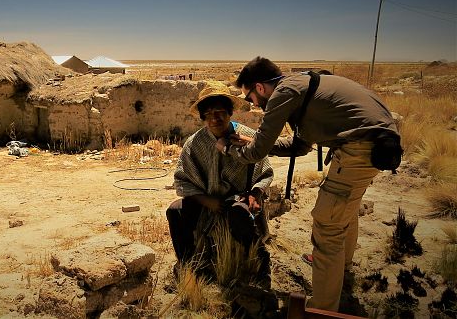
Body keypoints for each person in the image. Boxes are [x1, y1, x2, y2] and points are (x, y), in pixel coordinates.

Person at [223, 56, 400, 312]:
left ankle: (323, 310)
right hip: (378, 143)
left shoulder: (285, 92)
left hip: (359, 147)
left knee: (328, 226)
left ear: (260, 88)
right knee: (344, 210)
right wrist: (255, 145)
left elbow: (256, 153)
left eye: (250, 97)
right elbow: (300, 146)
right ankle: (341, 268)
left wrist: (230, 148)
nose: (253, 103)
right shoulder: (302, 85)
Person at [167, 81, 273, 277]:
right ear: (202, 117)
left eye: (219, 112)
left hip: (238, 199)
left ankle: (258, 260)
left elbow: (264, 171)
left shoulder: (247, 137)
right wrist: (207, 201)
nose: (214, 118)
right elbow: (182, 180)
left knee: (239, 214)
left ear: (229, 112)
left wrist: (254, 194)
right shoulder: (195, 143)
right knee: (175, 211)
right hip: (207, 200)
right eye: (208, 114)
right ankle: (188, 263)